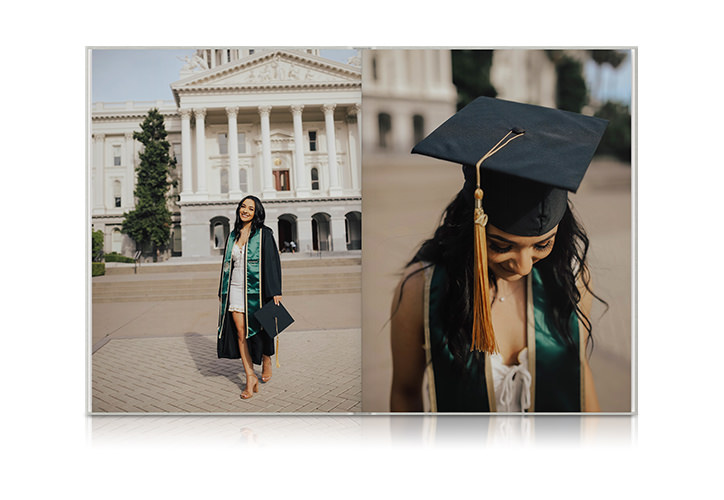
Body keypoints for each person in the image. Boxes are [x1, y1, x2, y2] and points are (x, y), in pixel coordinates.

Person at [390, 97, 608, 413]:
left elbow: (579, 374)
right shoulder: (422, 290)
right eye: (502, 246)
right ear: (473, 226)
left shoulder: (571, 277)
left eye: (541, 245)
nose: (522, 265)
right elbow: (405, 392)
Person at [217, 195, 283, 399]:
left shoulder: (264, 234)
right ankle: (249, 376)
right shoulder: (232, 236)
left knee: (260, 329)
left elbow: (272, 262)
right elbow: (227, 266)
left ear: (257, 213)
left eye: (250, 208)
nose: (245, 210)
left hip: (258, 289)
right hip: (235, 289)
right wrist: (223, 290)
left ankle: (266, 358)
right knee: (240, 332)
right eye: (243, 207)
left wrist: (275, 291)